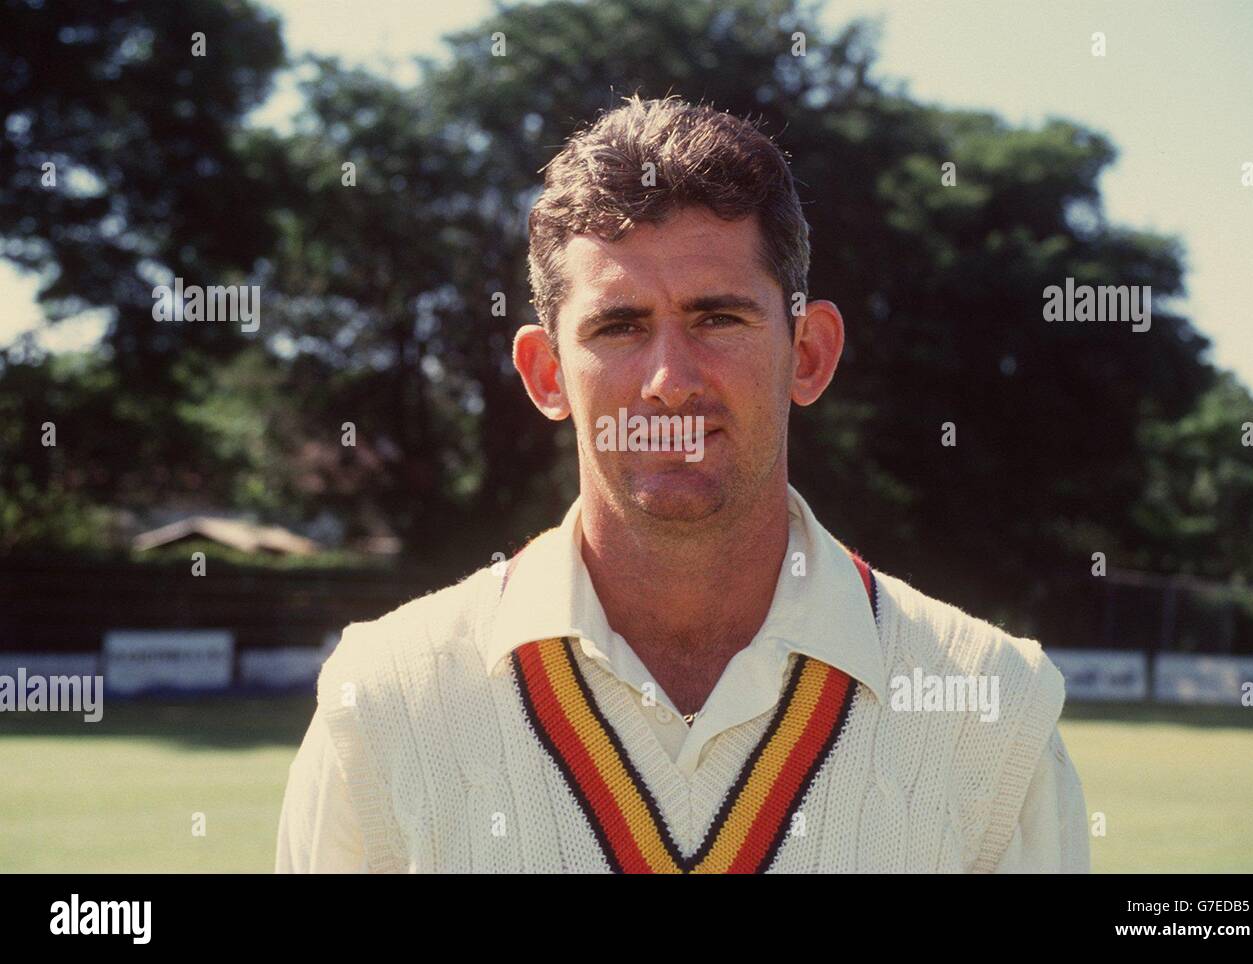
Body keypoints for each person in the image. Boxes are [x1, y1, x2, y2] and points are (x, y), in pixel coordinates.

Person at [276, 94, 1089, 873]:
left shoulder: (988, 709)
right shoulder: (383, 704)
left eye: (718, 318)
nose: (669, 379)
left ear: (808, 353)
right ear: (547, 373)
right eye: (619, 326)